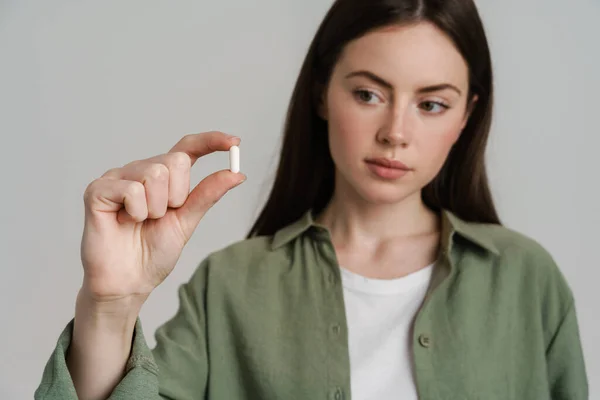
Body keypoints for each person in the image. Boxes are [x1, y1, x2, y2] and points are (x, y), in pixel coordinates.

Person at [35, 0, 589, 399]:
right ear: (323, 92)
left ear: (467, 114)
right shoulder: (230, 286)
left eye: (432, 104)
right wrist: (109, 306)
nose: (395, 131)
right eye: (369, 94)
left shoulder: (527, 280)